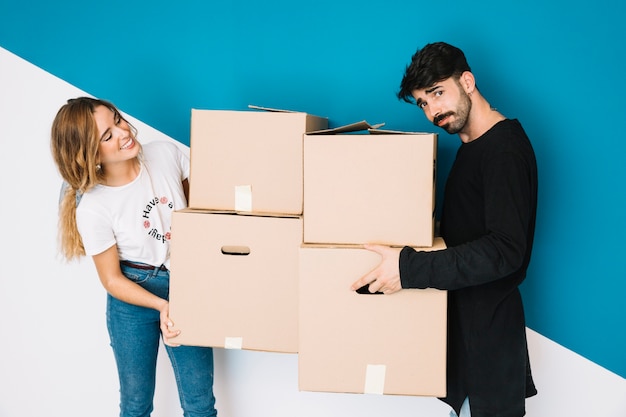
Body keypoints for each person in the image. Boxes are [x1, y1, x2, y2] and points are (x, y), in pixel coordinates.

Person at [351, 42, 538, 417]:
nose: (432, 110)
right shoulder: (472, 145)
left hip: (488, 343)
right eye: (423, 102)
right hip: (459, 337)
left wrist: (408, 269)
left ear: (467, 81)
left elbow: (505, 250)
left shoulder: (504, 150)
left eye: (437, 93)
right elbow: (464, 233)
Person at [51, 97, 218, 417]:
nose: (122, 132)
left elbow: (203, 214)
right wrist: (162, 306)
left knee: (200, 405)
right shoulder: (94, 208)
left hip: (185, 286)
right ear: (88, 153)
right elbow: (112, 279)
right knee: (136, 405)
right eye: (107, 136)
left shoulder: (165, 154)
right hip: (132, 296)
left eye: (117, 120)